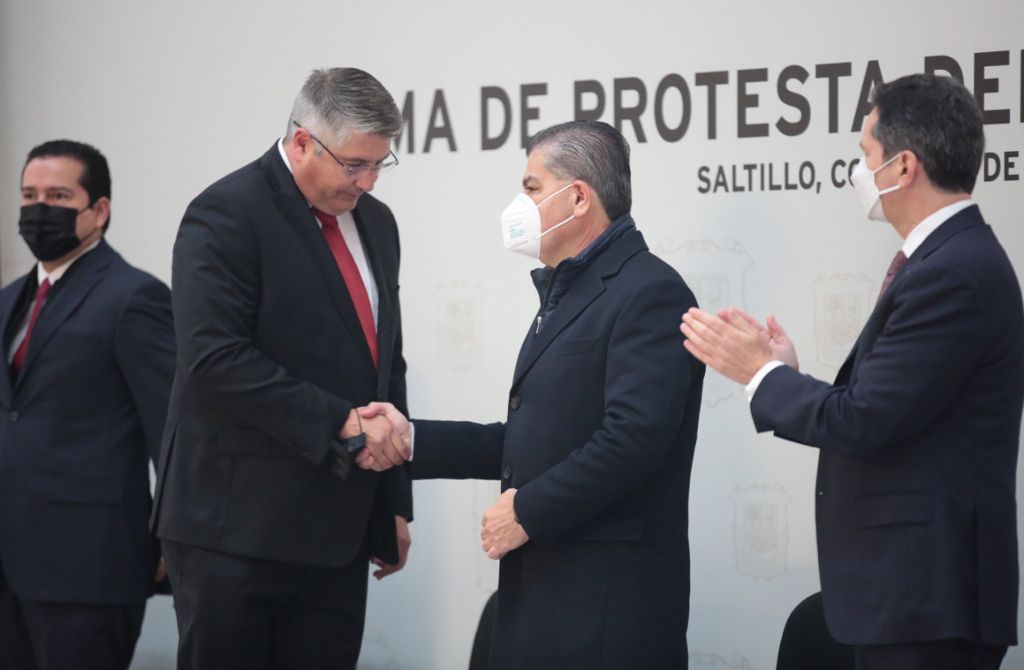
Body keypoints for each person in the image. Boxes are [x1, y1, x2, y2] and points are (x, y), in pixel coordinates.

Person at [681, 73, 1022, 670]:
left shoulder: (952, 272)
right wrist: (783, 371)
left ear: (904, 166)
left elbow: (864, 421)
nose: (859, 171)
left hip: (926, 596)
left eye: (866, 154)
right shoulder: (948, 260)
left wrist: (760, 373)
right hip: (909, 594)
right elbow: (886, 408)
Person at [361, 120, 704, 669]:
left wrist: (526, 509)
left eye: (531, 187)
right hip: (545, 600)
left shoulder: (649, 291)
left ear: (578, 198)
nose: (518, 204)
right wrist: (412, 440)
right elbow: (535, 441)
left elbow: (634, 439)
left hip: (605, 613)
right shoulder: (568, 293)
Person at [151, 68, 413, 670]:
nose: (369, 182)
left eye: (380, 164)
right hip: (233, 531)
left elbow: (385, 362)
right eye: (355, 165)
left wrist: (393, 501)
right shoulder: (226, 213)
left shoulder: (377, 222)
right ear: (301, 142)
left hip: (339, 527)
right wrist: (342, 421)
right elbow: (215, 359)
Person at [0, 140, 175, 670]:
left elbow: (172, 430)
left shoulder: (134, 297)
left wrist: (175, 539)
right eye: (29, 196)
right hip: (10, 562)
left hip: (90, 566)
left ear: (99, 210)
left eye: (58, 196)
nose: (39, 210)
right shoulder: (9, 300)